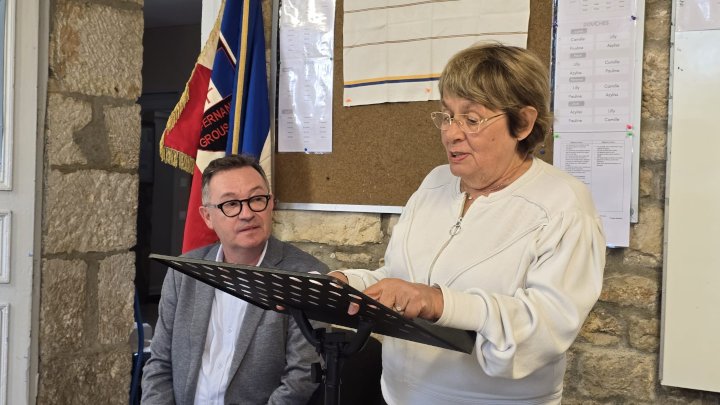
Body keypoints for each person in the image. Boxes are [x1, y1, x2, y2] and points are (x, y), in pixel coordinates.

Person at [331, 43, 606, 404]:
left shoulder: (564, 205)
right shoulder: (436, 183)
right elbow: (402, 278)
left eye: (471, 119)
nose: (451, 133)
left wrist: (440, 303)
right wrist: (348, 283)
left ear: (522, 123)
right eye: (447, 115)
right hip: (398, 395)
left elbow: (545, 329)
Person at [142, 154, 328, 405]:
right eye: (230, 204)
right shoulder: (183, 273)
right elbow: (159, 363)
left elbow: (301, 378)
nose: (247, 213)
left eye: (256, 199)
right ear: (207, 216)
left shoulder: (306, 276)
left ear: (271, 203)